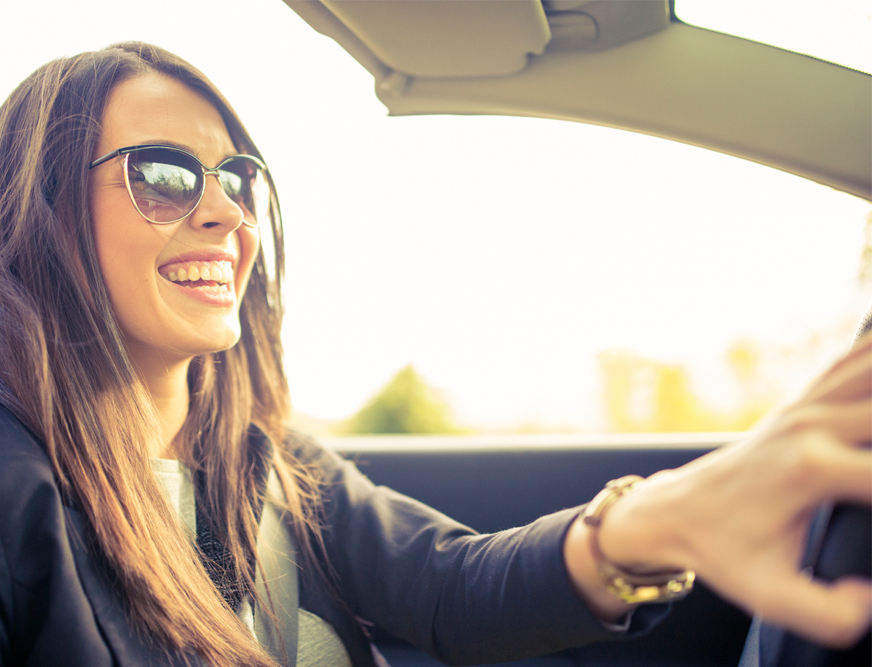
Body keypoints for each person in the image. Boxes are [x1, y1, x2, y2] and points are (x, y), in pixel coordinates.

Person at [0, 42, 869, 667]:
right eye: (163, 175)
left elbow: (451, 589)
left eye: (238, 178)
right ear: (40, 212)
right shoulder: (16, 495)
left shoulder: (270, 463)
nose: (227, 214)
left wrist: (654, 522)